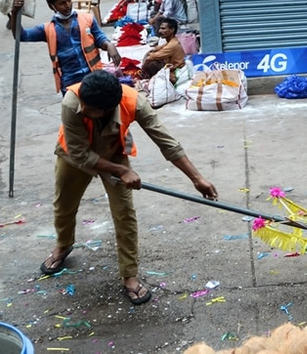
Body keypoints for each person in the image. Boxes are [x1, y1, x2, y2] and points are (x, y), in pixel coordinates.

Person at [38, 70, 217, 305]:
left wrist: (196, 178)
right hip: (73, 156)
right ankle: (63, 245)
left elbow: (166, 142)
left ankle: (129, 274)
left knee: (124, 214)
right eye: (84, 105)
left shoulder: (134, 102)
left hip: (113, 152)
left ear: (109, 108)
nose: (85, 111)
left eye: (91, 110)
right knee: (64, 205)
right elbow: (81, 154)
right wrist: (123, 171)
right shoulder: (72, 102)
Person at [13, 0, 122, 93]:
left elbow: (99, 37)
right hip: (70, 80)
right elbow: (21, 35)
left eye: (69, 0)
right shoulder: (47, 29)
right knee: (72, 108)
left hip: (94, 74)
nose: (68, 5)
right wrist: (15, 13)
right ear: (51, 6)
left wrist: (108, 45)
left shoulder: (87, 19)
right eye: (62, 3)